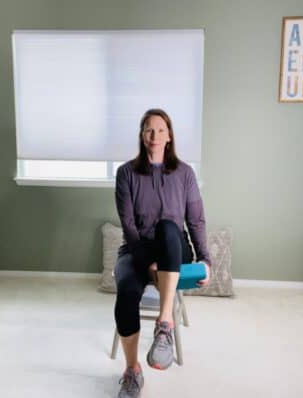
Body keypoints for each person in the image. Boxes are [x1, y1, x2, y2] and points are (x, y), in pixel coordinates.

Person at [114, 108, 211, 398]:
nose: (154, 135)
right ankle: (132, 371)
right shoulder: (126, 173)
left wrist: (205, 258)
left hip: (174, 248)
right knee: (127, 293)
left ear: (169, 136)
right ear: (142, 136)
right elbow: (128, 226)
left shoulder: (184, 173)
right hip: (136, 249)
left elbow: (195, 219)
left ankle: (164, 323)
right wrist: (147, 263)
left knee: (170, 227)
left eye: (160, 129)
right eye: (148, 129)